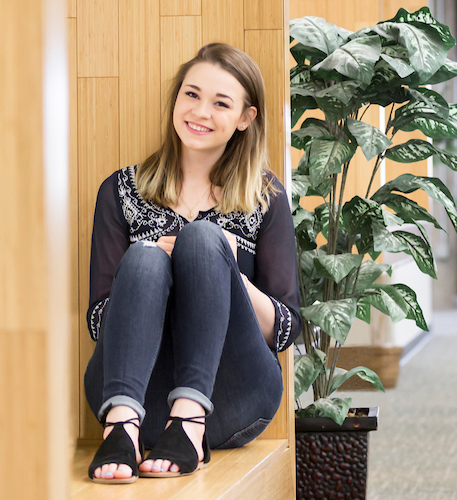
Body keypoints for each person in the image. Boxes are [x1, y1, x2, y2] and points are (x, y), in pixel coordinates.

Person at [84, 42, 302, 484]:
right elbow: (98, 322)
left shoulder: (266, 198)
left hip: (233, 397)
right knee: (145, 257)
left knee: (203, 239)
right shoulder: (120, 191)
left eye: (221, 103)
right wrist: (150, 265)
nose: (200, 112)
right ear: (176, 100)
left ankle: (190, 420)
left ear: (245, 118)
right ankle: (119, 425)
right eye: (191, 95)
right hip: (139, 401)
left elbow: (285, 328)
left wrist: (222, 266)